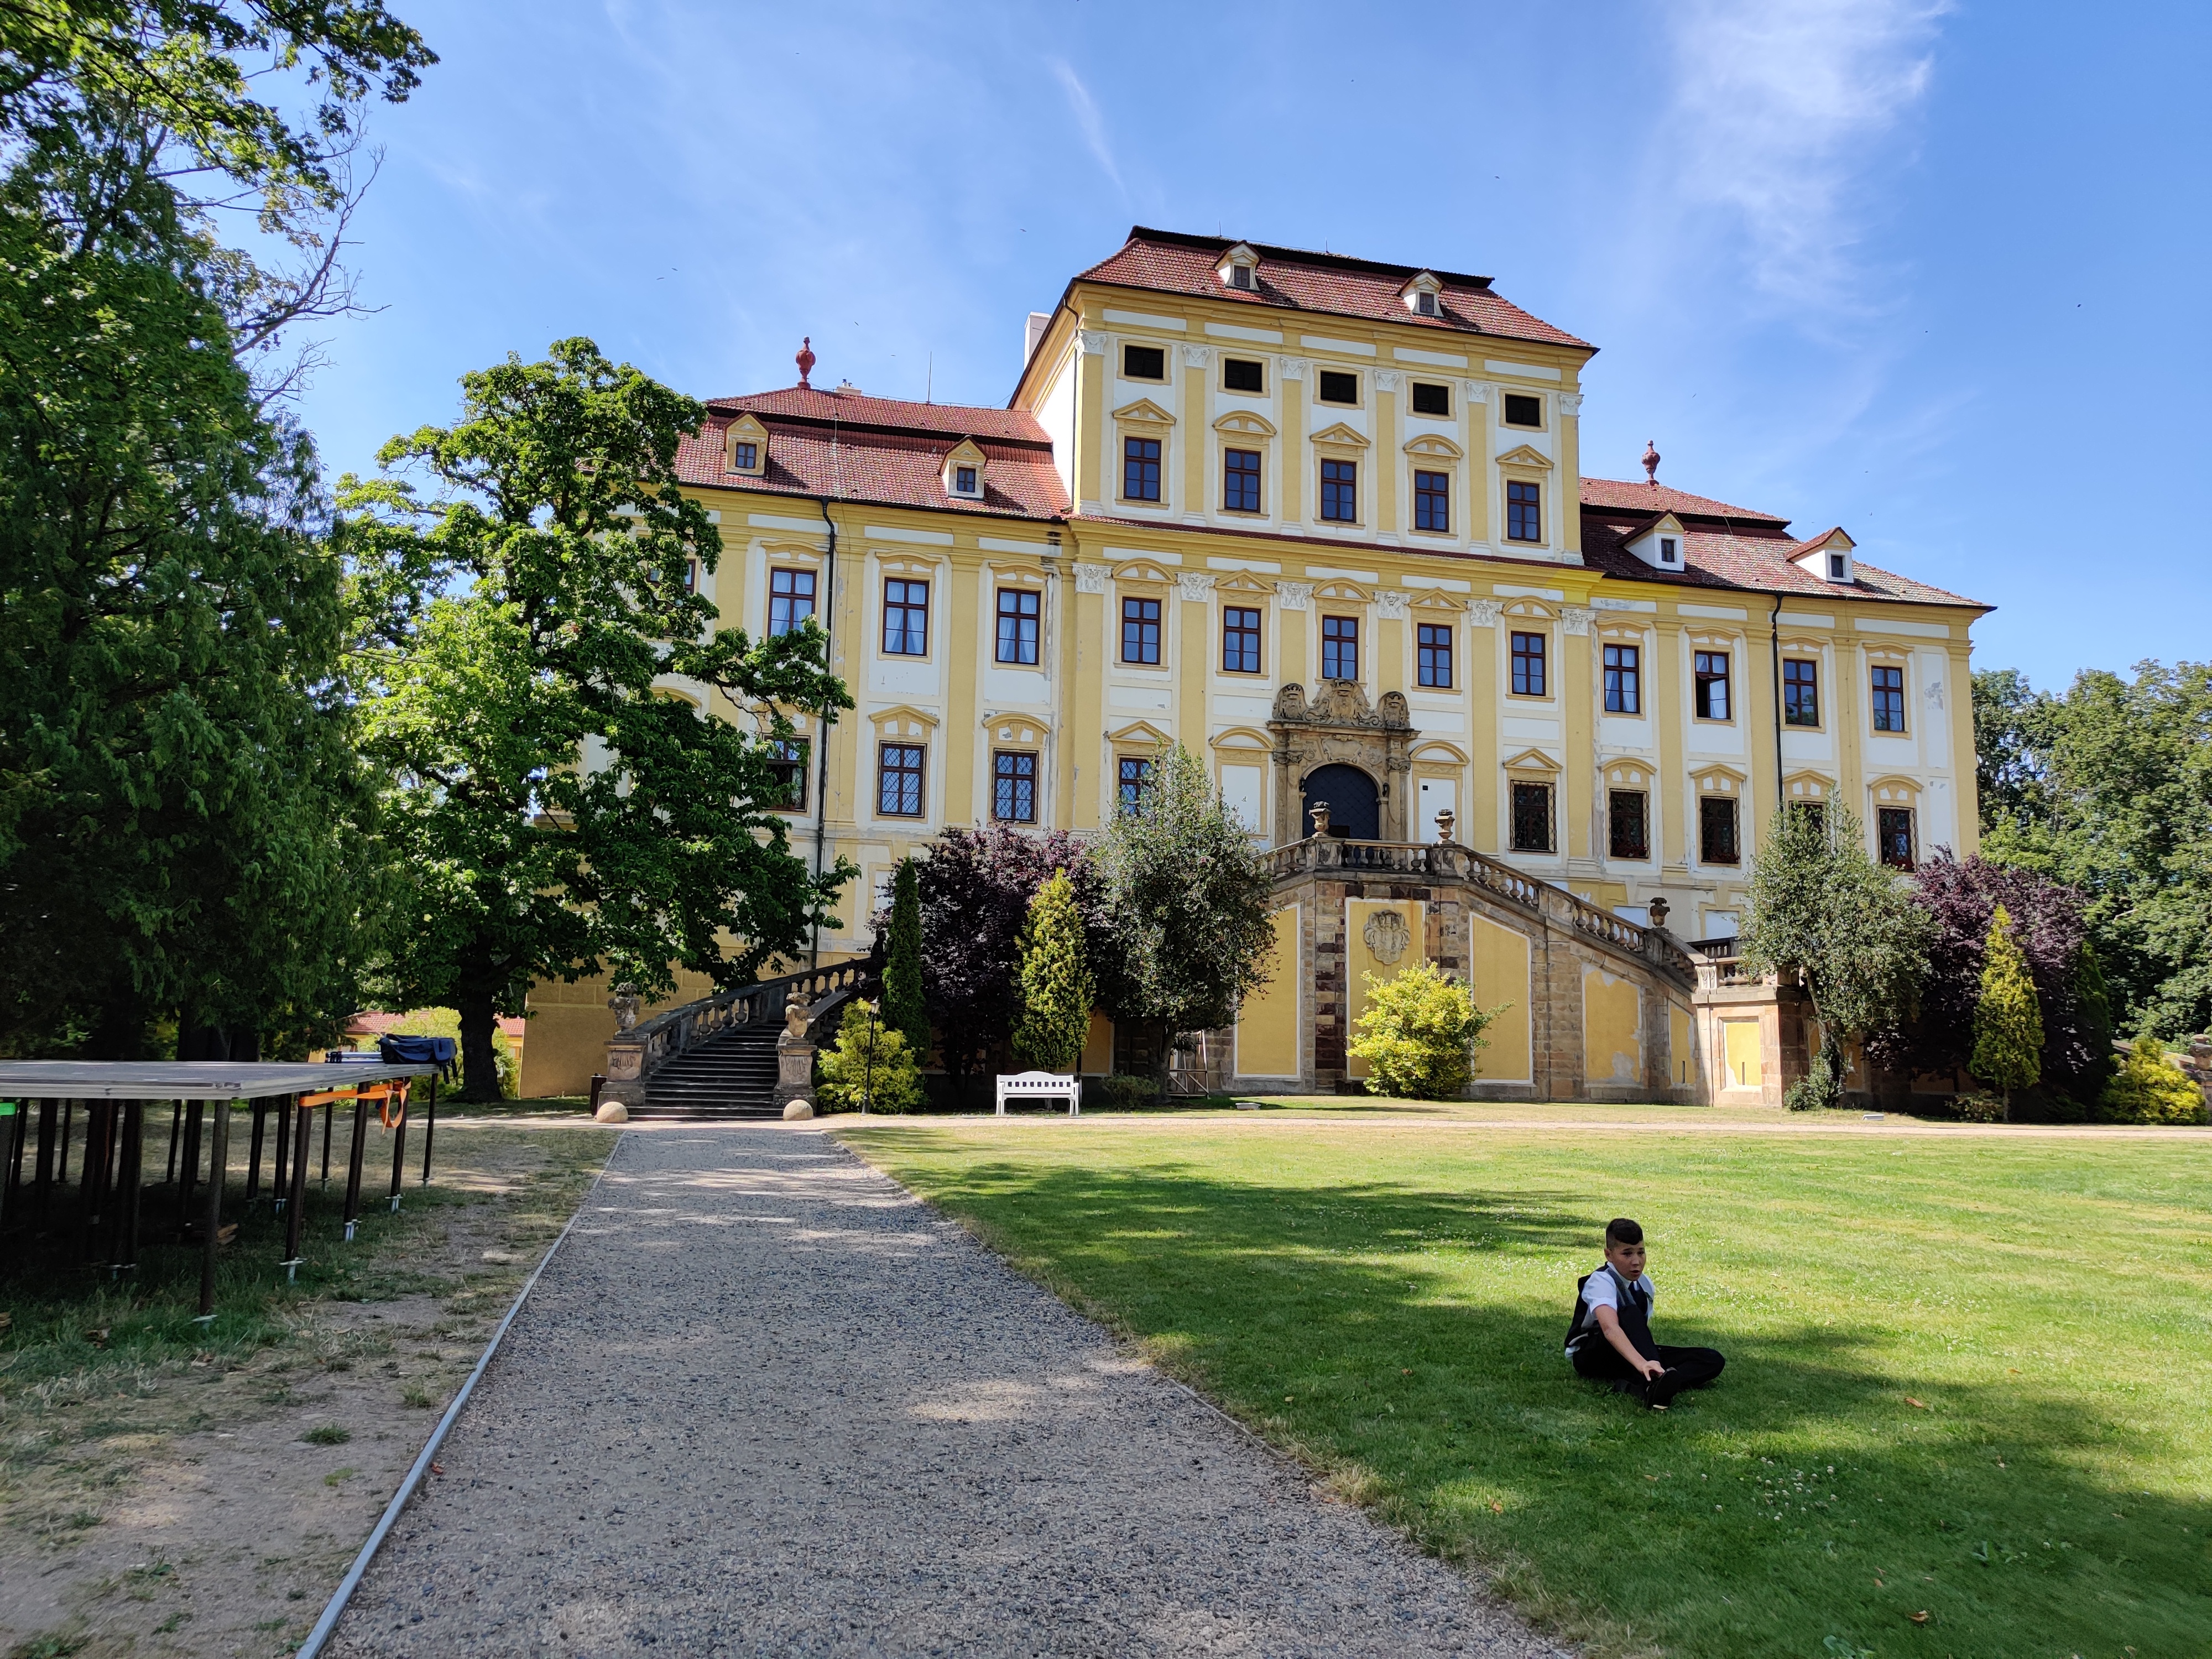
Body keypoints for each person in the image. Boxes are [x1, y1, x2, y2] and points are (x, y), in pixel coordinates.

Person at [1564, 1217, 1725, 1410]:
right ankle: (1653, 1379)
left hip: (1628, 1355)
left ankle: (1651, 1383)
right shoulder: (1601, 1281)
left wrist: (1647, 1361)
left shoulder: (1645, 1285)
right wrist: (1643, 1364)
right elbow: (1610, 1329)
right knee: (1630, 1311)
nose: (1636, 1262)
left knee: (1711, 1359)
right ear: (1609, 1254)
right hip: (1592, 1355)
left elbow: (1640, 1334)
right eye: (1627, 1254)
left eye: (1641, 1253)